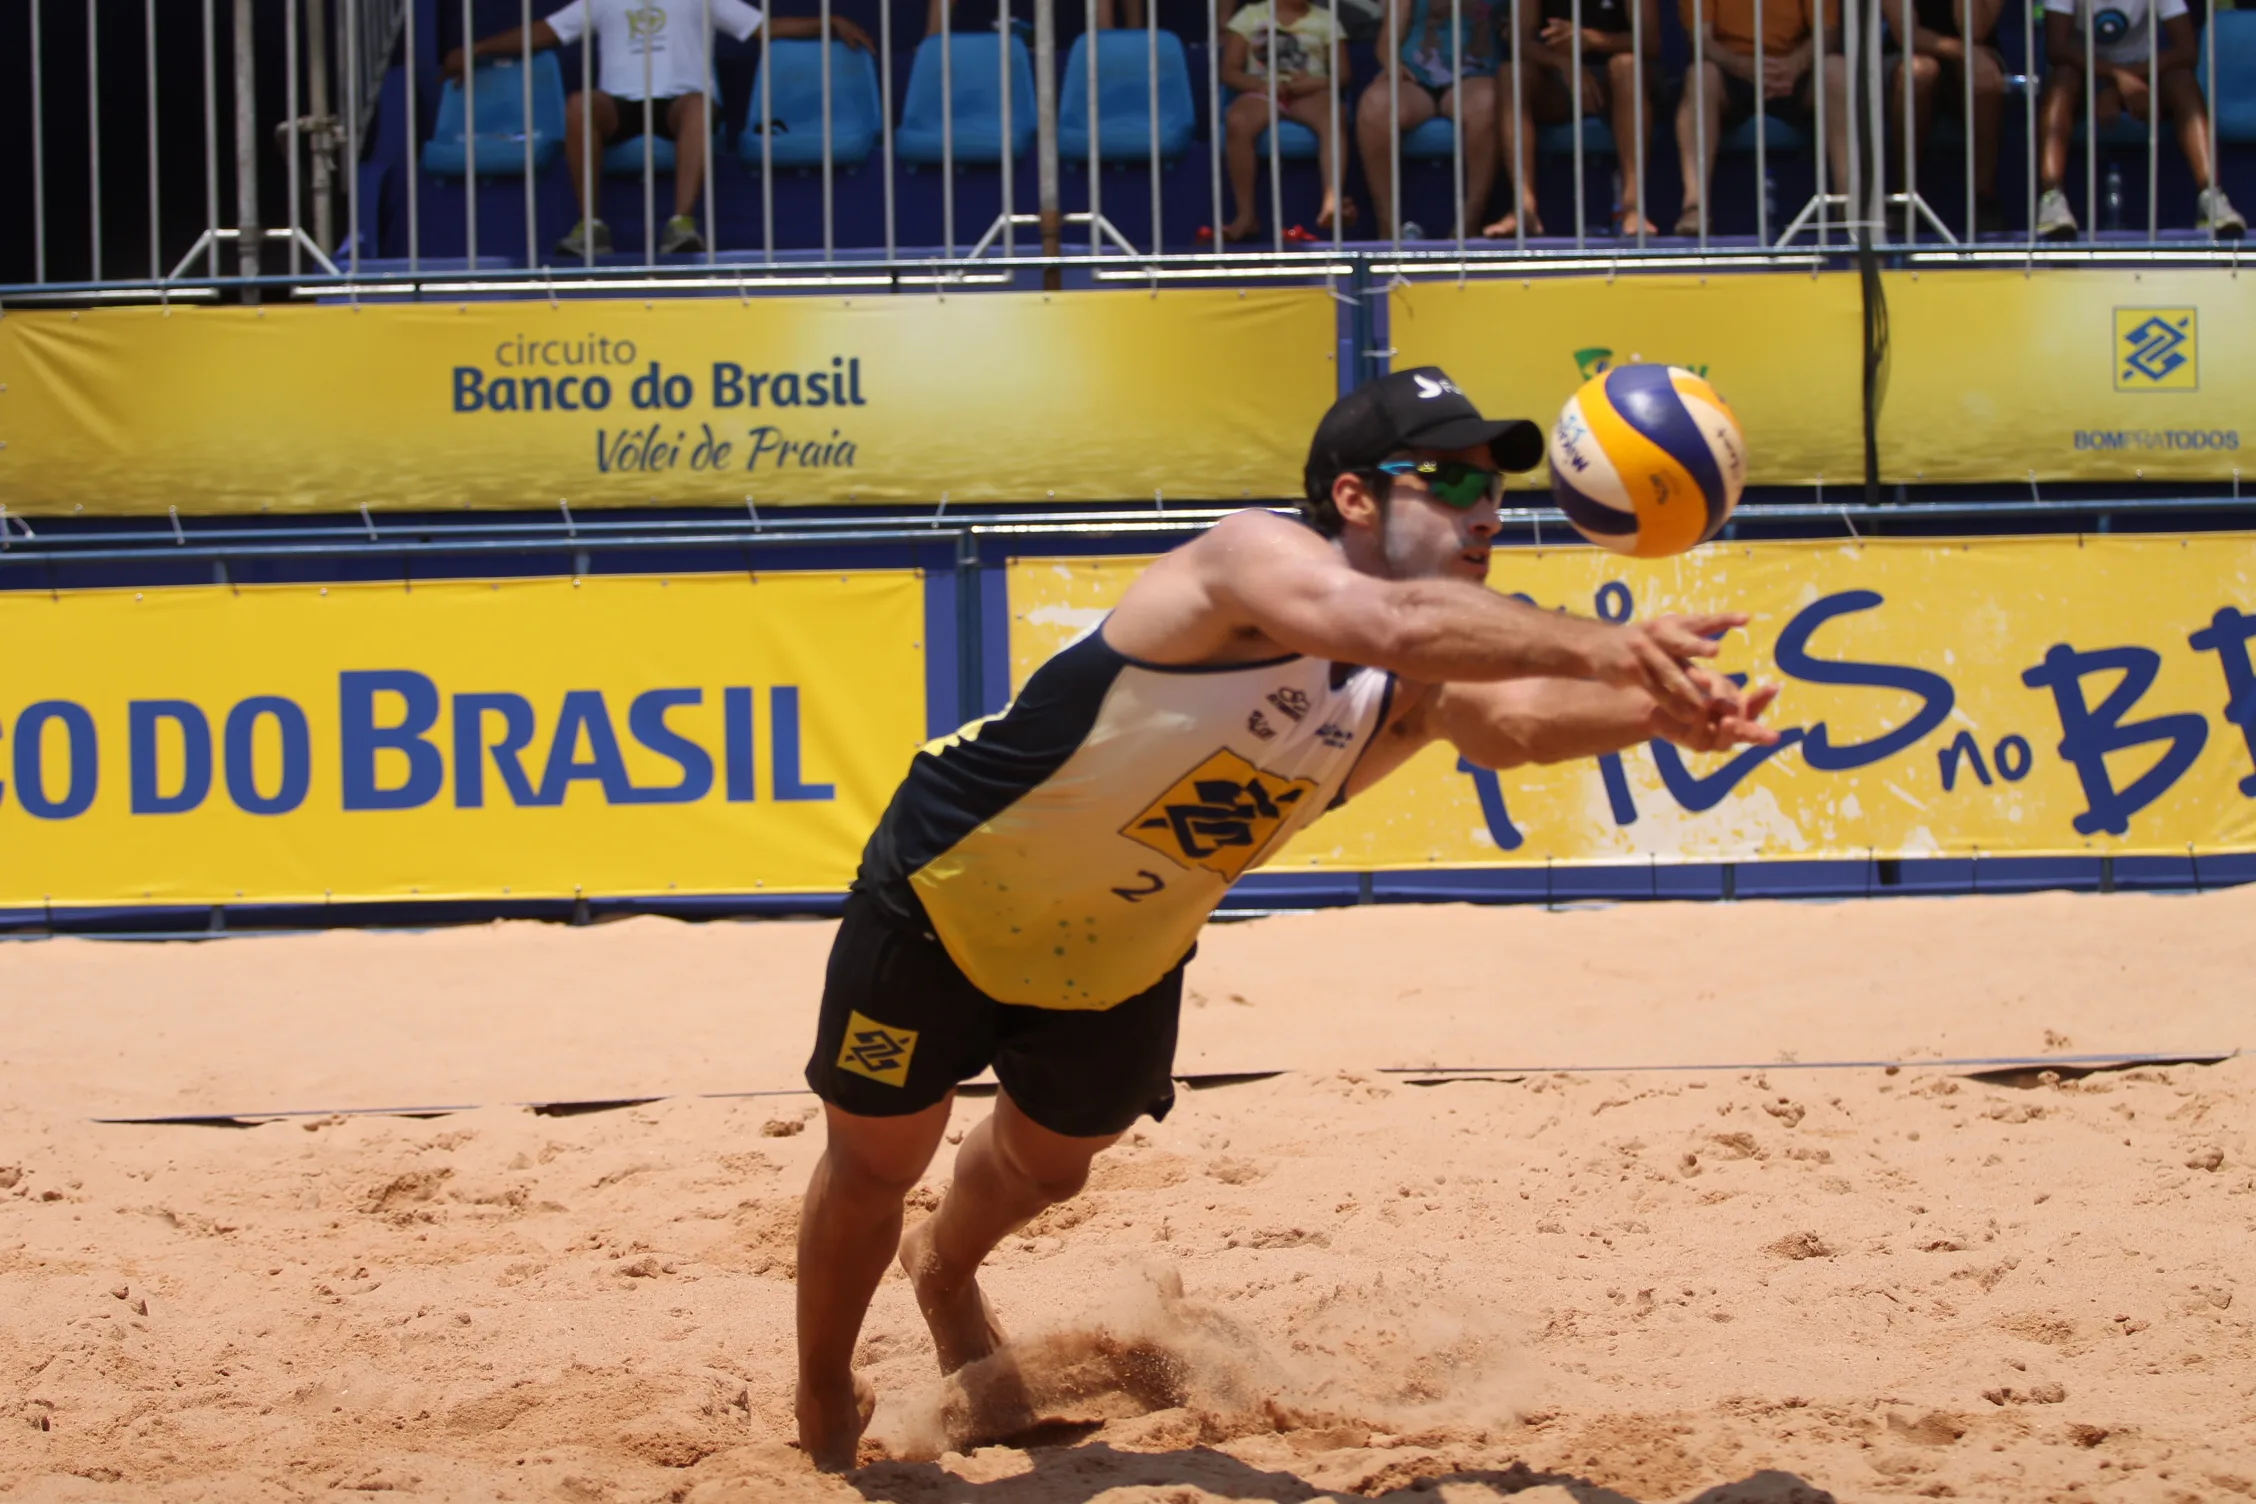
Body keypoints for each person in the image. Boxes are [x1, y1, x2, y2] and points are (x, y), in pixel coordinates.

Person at [791, 366, 1781, 1471]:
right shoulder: (1246, 562)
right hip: (950, 888)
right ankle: (826, 1388)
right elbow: (1393, 614)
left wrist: (1659, 711)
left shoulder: (1413, 674)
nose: (1487, 506)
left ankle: (948, 1267)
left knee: (1049, 1164)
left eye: (1497, 484)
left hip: (1119, 948)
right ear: (1354, 496)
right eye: (1451, 477)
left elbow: (1518, 725)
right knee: (877, 1161)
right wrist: (1600, 639)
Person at [443, 0, 873, 259]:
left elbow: (763, 28)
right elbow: (547, 32)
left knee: (701, 106)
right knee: (579, 105)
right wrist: (477, 49)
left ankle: (681, 224)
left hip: (678, 105)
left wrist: (828, 22)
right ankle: (589, 227)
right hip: (621, 106)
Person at [2033, 0, 2243, 238]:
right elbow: (2057, 48)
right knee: (2062, 78)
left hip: (2143, 78)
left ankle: (2211, 196)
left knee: (2182, 81)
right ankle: (2051, 199)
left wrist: (2126, 81)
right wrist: (2116, 77)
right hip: (2086, 79)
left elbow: (2186, 50)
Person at [1673, 0, 1851, 237]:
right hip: (1731, 68)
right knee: (1700, 76)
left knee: (1837, 70)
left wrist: (1793, 65)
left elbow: (1828, 34)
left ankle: (1849, 207)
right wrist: (1742, 66)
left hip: (1794, 68)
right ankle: (1694, 207)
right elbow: (1701, 40)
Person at [1488, 0, 1663, 237]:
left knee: (1627, 67)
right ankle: (1524, 208)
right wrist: (1563, 63)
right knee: (1511, 75)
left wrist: (1590, 39)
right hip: (1558, 78)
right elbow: (1520, 40)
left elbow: (1650, 41)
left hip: (1616, 80)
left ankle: (1632, 207)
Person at [1357, 0, 1501, 238]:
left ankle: (1469, 223)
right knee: (1376, 106)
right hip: (1415, 77)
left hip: (1476, 75)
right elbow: (1387, 40)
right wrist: (1392, 65)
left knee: (1488, 103)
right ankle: (1388, 228)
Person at [1219, 0, 1356, 240]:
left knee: (1334, 116)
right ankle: (1246, 215)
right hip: (1263, 91)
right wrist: (1263, 86)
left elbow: (1342, 75)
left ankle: (1332, 201)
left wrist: (1314, 83)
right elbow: (1230, 71)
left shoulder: (1326, 20)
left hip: (1310, 91)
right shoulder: (1250, 16)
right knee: (1238, 121)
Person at [1885, 0, 2008, 235]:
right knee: (1919, 73)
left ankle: (1984, 199)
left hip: (1977, 50)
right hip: (1909, 52)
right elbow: (1906, 34)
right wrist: (1964, 52)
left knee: (1981, 80)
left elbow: (1976, 31)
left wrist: (1968, 53)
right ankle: (1903, 196)